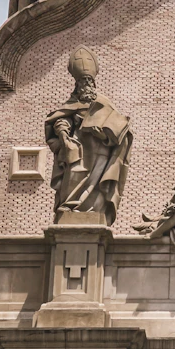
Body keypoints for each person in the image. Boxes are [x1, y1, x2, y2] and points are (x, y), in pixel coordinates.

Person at [45, 47, 132, 226]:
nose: (86, 85)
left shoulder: (104, 103)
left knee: (97, 186)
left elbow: (119, 130)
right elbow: (61, 120)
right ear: (77, 85)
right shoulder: (71, 104)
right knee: (73, 176)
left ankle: (94, 211)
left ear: (93, 83)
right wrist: (62, 133)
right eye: (83, 81)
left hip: (102, 151)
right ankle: (69, 207)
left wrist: (105, 135)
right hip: (77, 147)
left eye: (88, 81)